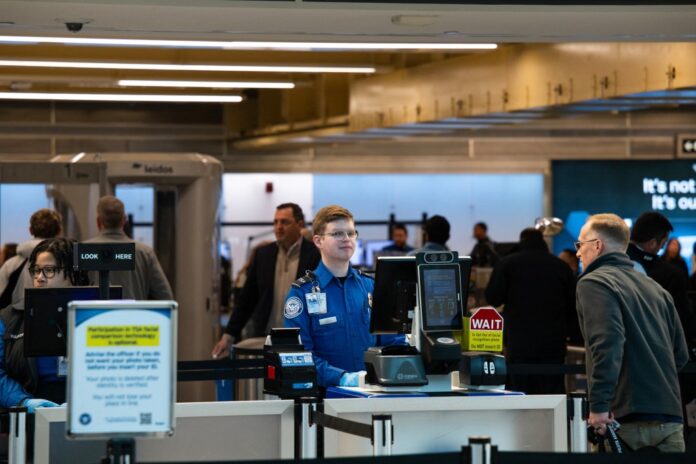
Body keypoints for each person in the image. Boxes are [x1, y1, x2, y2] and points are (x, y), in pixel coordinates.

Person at [575, 213, 689, 452]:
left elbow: (607, 343)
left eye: (580, 245)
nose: (577, 253)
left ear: (597, 245)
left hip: (622, 419)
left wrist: (599, 407)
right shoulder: (657, 289)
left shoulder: (594, 282)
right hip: (670, 419)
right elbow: (680, 355)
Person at [284, 205, 402, 388]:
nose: (346, 239)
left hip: (374, 393)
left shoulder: (370, 287)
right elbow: (299, 356)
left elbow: (391, 341)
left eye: (351, 233)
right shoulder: (301, 293)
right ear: (318, 241)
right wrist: (342, 378)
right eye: (337, 234)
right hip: (326, 397)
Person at [212, 203, 320, 358]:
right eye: (276, 222)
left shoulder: (316, 255)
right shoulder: (263, 255)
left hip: (302, 339)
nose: (278, 227)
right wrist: (228, 336)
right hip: (266, 337)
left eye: (285, 222)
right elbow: (247, 299)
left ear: (300, 224)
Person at [0, 238, 89, 412]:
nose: (39, 278)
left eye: (49, 270)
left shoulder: (94, 316)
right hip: (30, 413)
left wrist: (88, 400)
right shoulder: (10, 318)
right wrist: (23, 401)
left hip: (85, 412)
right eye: (36, 270)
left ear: (73, 273)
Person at [485, 228, 577, 394]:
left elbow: (493, 298)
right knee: (551, 393)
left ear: (521, 241)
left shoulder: (507, 264)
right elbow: (573, 306)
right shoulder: (561, 267)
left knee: (520, 392)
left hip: (519, 343)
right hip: (553, 344)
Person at [626, 211, 696, 353]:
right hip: (658, 350)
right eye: (663, 244)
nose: (661, 249)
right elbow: (681, 319)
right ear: (652, 243)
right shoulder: (672, 274)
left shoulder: (610, 263)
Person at [85, 196, 173, 301]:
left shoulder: (83, 251)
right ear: (124, 220)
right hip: (134, 312)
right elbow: (165, 296)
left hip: (94, 312)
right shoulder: (145, 253)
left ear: (98, 221)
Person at [0, 209, 62, 311]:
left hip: (16, 319)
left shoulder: (11, 265)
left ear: (30, 230)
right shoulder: (68, 262)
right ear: (59, 230)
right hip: (59, 317)